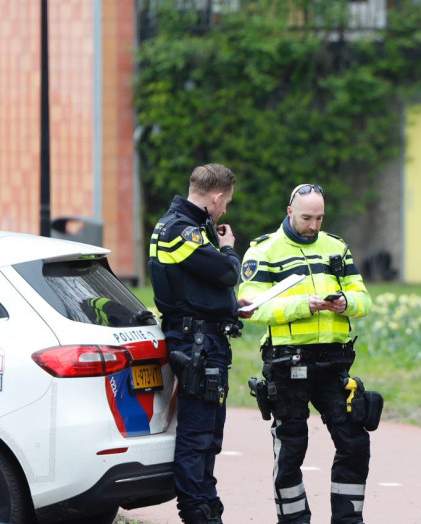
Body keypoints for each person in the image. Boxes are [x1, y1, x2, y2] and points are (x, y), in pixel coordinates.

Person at [238, 183, 376, 524]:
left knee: (354, 441)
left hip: (333, 364)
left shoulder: (336, 247)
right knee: (291, 449)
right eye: (306, 218)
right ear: (289, 212)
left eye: (319, 218)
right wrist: (304, 305)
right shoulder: (264, 251)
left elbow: (364, 298)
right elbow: (251, 308)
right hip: (288, 364)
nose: (313, 225)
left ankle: (348, 520)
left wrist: (347, 303)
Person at [148, 163, 242, 524]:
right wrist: (228, 248)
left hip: (198, 337)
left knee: (209, 431)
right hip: (198, 344)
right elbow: (227, 273)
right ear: (216, 196)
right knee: (198, 433)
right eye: (226, 202)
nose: (224, 210)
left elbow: (193, 286)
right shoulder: (181, 231)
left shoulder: (177, 225)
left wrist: (230, 307)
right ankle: (197, 512)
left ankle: (206, 504)